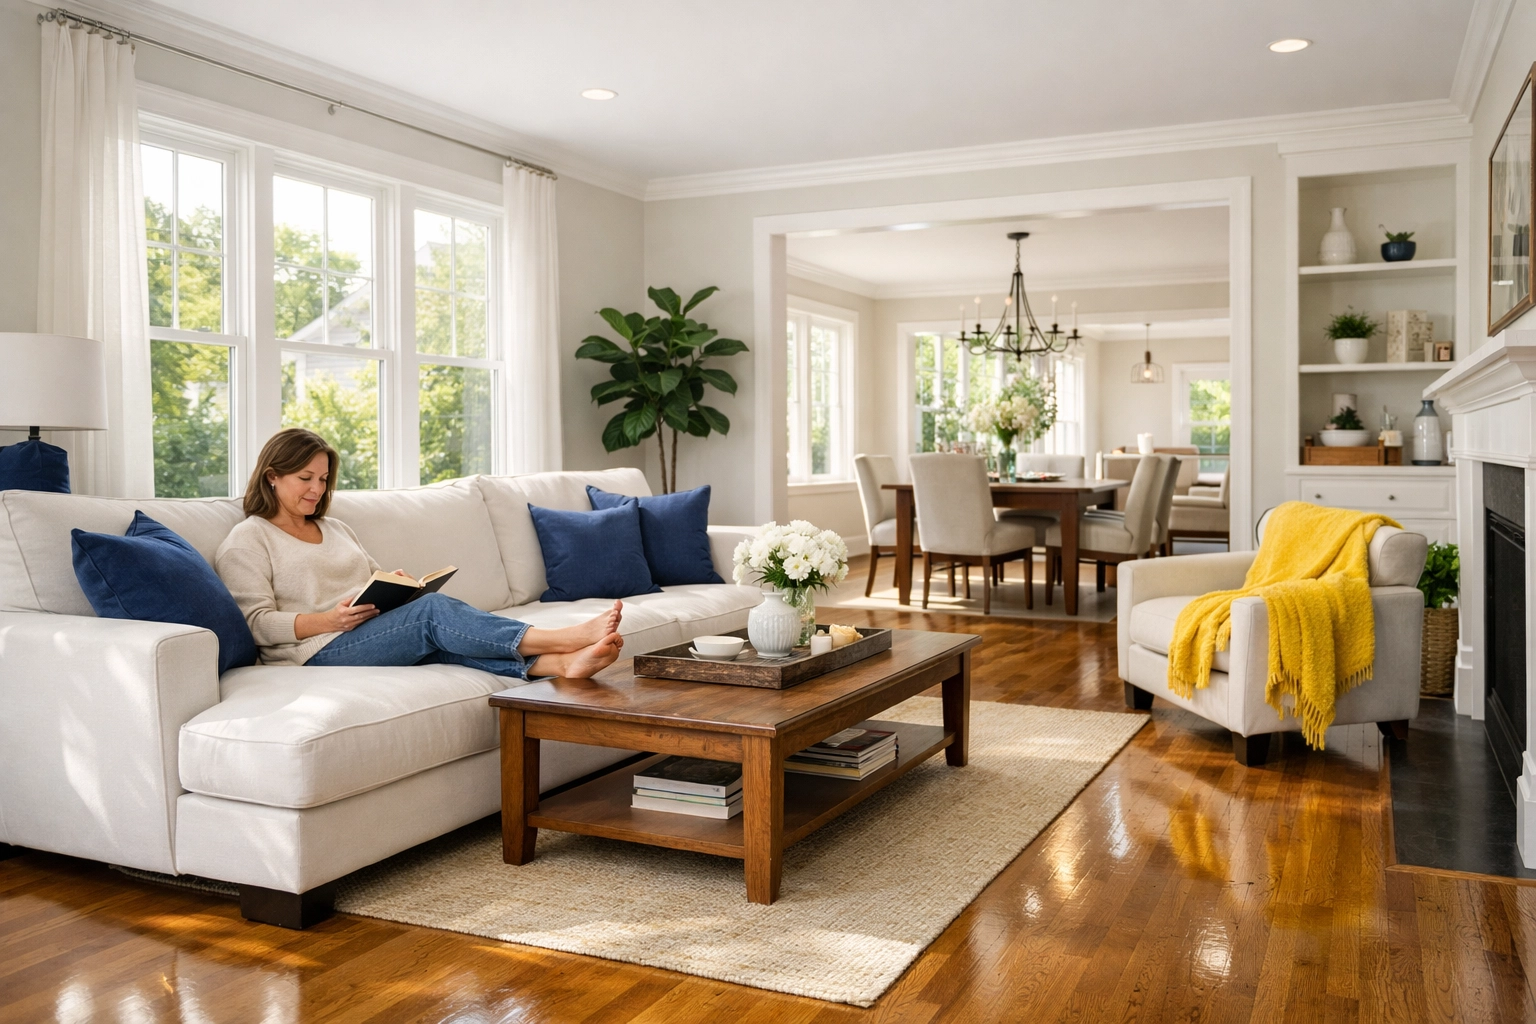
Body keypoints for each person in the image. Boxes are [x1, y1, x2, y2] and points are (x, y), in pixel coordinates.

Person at [215, 428, 622, 679]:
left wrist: (398, 587)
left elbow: (368, 578)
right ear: (272, 477)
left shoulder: (334, 528)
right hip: (314, 653)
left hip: (364, 632)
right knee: (432, 614)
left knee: (442, 640)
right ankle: (561, 640)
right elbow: (257, 625)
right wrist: (327, 620)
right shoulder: (249, 539)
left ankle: (558, 666)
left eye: (323, 479)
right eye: (305, 478)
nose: (317, 489)